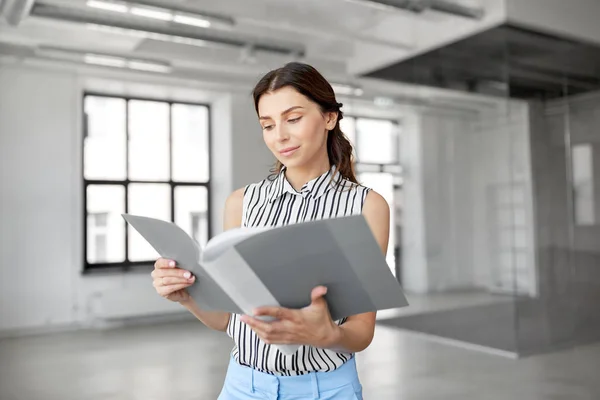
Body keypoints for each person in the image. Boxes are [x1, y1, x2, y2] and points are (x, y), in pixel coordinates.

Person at [151, 62, 390, 399]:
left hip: (324, 389)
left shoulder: (367, 207)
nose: (279, 136)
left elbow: (362, 331)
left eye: (293, 119)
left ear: (329, 118)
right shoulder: (241, 203)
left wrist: (327, 335)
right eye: (267, 125)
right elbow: (229, 321)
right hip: (242, 386)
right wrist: (188, 297)